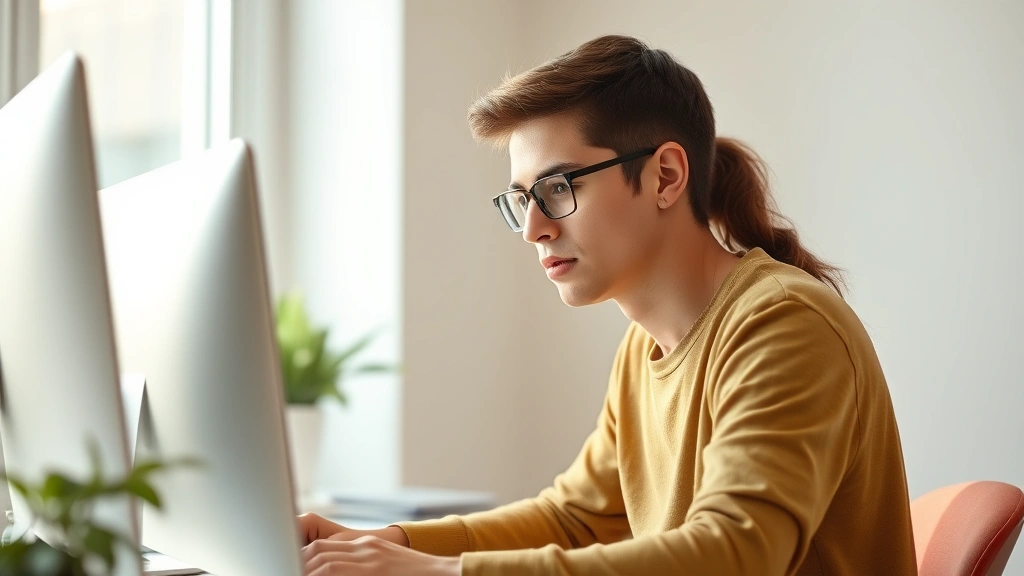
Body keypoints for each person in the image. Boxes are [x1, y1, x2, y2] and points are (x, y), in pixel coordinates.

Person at [298, 34, 918, 576]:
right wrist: (386, 543)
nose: (532, 228)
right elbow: (575, 519)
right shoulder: (644, 348)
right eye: (521, 198)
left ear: (665, 177)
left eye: (559, 187)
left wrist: (439, 572)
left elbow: (736, 554)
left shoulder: (783, 325)